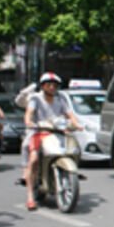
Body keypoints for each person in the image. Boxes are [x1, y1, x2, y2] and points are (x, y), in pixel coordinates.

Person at [22, 72, 82, 210]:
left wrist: (76, 124)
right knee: (34, 159)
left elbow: (70, 115)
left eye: (54, 85)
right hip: (39, 132)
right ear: (43, 86)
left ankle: (71, 173)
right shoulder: (35, 99)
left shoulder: (61, 98)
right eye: (49, 84)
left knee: (74, 149)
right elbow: (29, 113)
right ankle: (30, 196)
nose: (52, 87)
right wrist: (29, 122)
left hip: (58, 132)